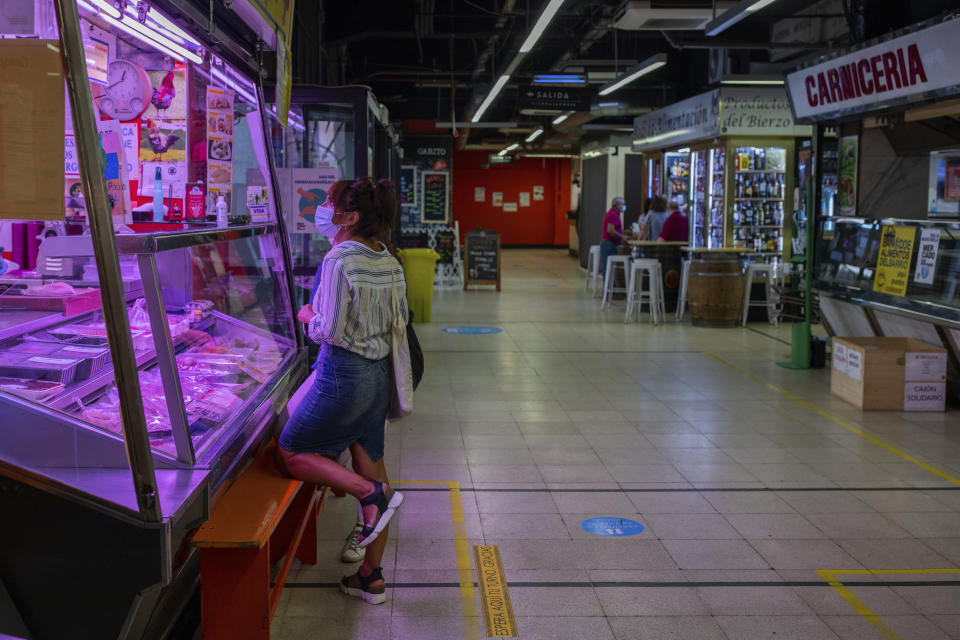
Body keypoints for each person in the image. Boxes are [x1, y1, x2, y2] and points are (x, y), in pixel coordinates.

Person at [278, 176, 407, 605]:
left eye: (329, 203)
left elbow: (328, 330)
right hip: (376, 378)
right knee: (374, 467)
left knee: (293, 451)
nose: (323, 208)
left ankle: (366, 494)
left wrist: (306, 314)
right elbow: (397, 320)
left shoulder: (339, 260)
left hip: (342, 377)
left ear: (349, 218)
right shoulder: (387, 258)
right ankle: (371, 578)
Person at [600, 196, 629, 276]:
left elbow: (615, 229)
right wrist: (622, 237)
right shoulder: (613, 214)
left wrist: (624, 232)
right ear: (617, 205)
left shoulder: (615, 214)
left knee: (610, 268)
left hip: (610, 244)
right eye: (623, 204)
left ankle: (610, 286)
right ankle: (608, 287)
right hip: (609, 244)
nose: (624, 206)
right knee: (608, 268)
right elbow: (610, 230)